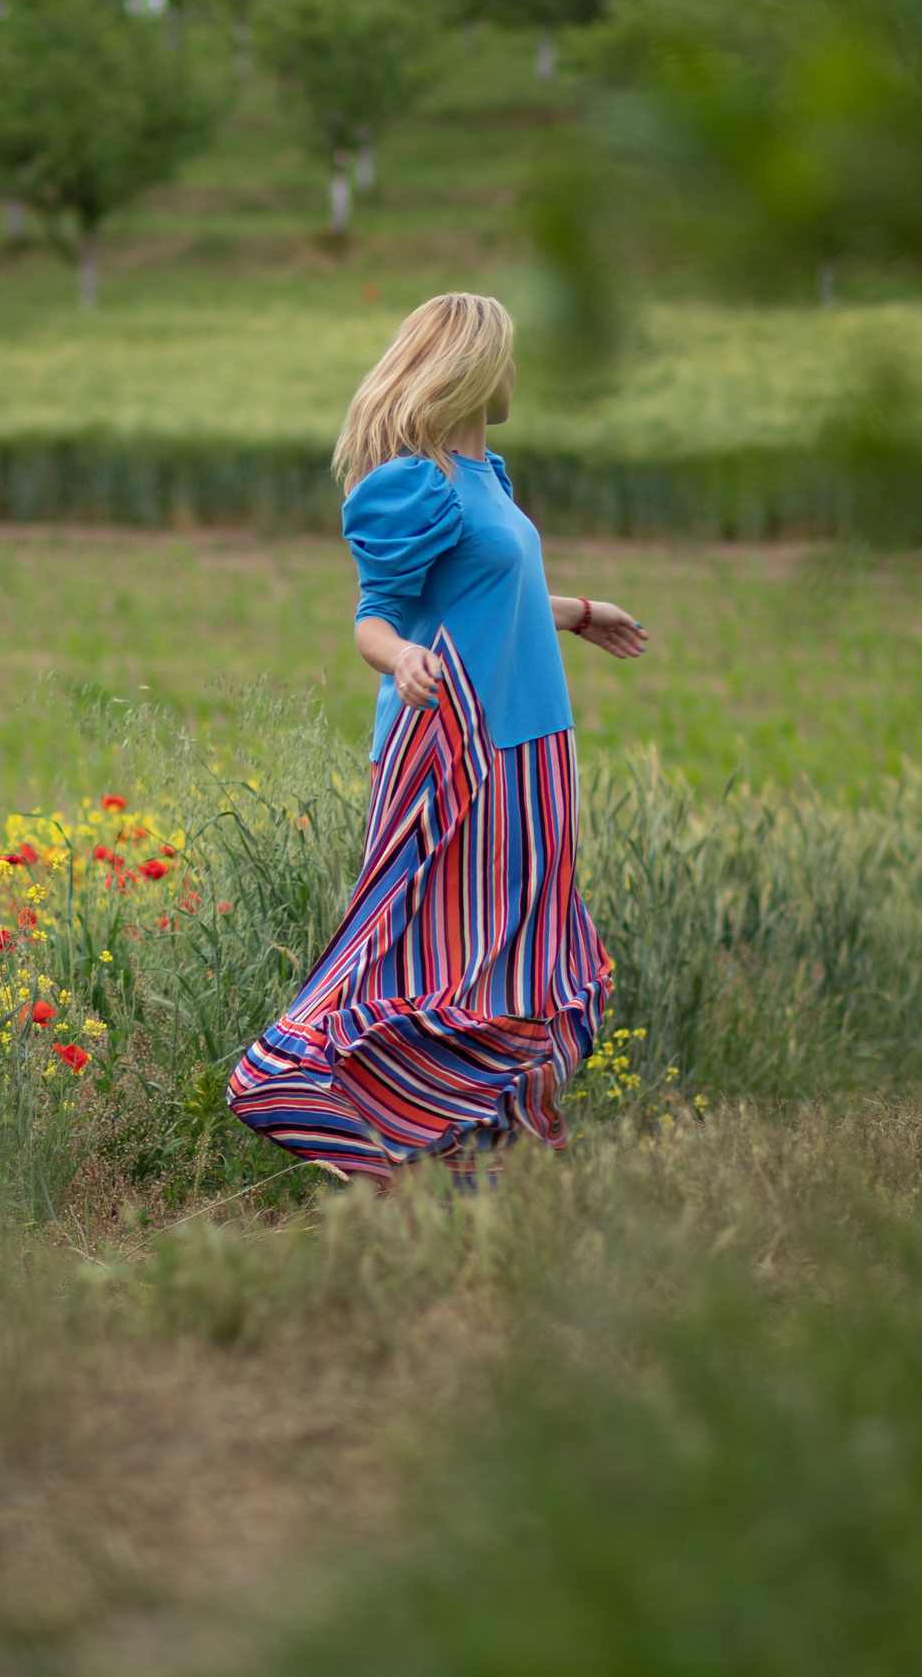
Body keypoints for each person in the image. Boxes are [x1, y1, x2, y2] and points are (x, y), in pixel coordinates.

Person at [226, 292, 647, 1188]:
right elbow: (373, 620)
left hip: (533, 755)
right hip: (454, 755)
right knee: (417, 953)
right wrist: (405, 659)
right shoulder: (414, 483)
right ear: (472, 366)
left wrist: (576, 613)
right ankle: (309, 1096)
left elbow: (493, 587)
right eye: (508, 359)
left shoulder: (489, 472)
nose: (516, 377)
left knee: (527, 963)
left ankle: (473, 1164)